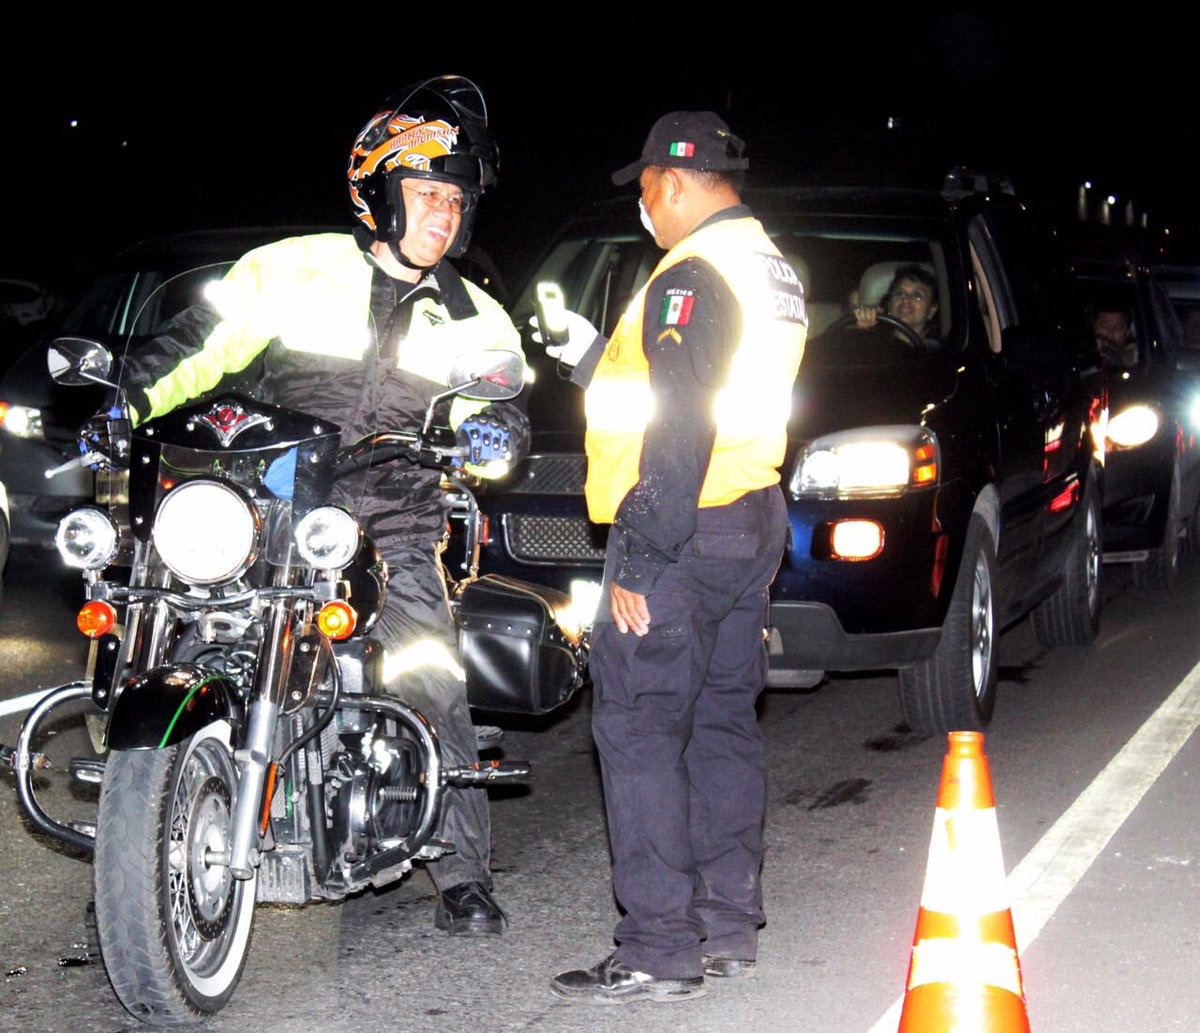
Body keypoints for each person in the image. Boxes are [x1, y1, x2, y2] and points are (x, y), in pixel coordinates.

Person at [115, 75, 528, 936]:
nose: (444, 216)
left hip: (393, 518)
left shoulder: (477, 316)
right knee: (167, 612)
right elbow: (198, 347)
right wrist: (125, 401)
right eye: (425, 194)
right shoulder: (288, 268)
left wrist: (494, 435)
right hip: (268, 504)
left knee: (429, 671)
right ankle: (141, 822)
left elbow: (502, 406)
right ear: (378, 192)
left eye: (455, 201)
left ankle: (461, 871)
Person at [541, 111, 807, 1004]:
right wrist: (589, 357)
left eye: (648, 189)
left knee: (641, 727)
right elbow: (698, 388)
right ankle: (727, 926)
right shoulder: (770, 267)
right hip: (748, 512)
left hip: (683, 524)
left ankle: (658, 946)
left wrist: (643, 555)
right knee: (725, 719)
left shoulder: (690, 273)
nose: (643, 208)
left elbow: (684, 418)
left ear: (680, 180)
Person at [854, 263, 940, 344]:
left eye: (917, 296)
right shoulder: (876, 343)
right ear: (889, 304)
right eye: (900, 293)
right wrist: (863, 333)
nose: (906, 300)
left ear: (931, 311)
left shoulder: (937, 352)